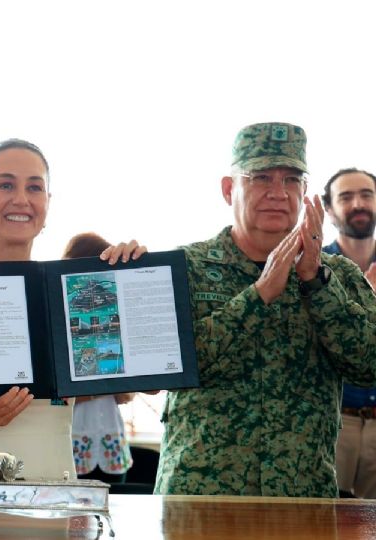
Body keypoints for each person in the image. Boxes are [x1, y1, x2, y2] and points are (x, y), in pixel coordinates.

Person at [155, 123, 376, 497]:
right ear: (229, 189)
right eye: (260, 178)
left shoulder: (336, 275)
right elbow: (168, 367)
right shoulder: (185, 267)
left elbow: (368, 364)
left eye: (291, 180)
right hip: (200, 497)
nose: (278, 193)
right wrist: (257, 297)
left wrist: (316, 282)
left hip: (301, 499)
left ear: (306, 193)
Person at [0, 139, 145, 492]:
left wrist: (130, 284)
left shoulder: (72, 298)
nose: (21, 199)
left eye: (34, 187)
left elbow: (140, 386)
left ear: (47, 202)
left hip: (51, 498)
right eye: (5, 184)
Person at [62, 232, 134, 483]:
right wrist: (99, 388)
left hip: (111, 442)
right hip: (70, 442)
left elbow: (126, 391)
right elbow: (57, 396)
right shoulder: (60, 324)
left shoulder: (112, 321)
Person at [321, 167, 376, 498]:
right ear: (328, 209)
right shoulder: (310, 266)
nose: (358, 203)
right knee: (325, 526)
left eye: (367, 195)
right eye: (346, 197)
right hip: (333, 424)